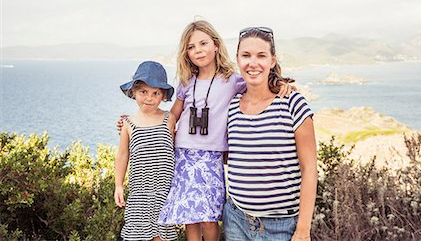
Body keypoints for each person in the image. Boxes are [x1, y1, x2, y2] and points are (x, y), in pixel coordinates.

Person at [118, 20, 292, 241]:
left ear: (216, 45)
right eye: (191, 47)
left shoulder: (232, 80)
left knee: (209, 217)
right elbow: (171, 116)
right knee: (190, 216)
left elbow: (258, 84)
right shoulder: (186, 82)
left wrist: (280, 83)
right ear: (186, 53)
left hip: (211, 157)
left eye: (203, 43)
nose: (198, 50)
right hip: (184, 155)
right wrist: (137, 123)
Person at [223, 27, 318, 241]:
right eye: (246, 55)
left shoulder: (293, 103)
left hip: (282, 227)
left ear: (272, 61)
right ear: (237, 59)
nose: (253, 63)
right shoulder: (232, 105)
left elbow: (310, 169)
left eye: (261, 56)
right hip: (236, 220)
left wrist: (303, 230)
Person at [115, 61, 177, 241]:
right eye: (144, 92)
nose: (149, 97)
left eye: (156, 93)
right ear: (133, 92)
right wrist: (118, 185)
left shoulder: (169, 118)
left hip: (164, 193)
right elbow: (122, 155)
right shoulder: (128, 123)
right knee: (137, 235)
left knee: (162, 237)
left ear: (163, 95)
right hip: (139, 194)